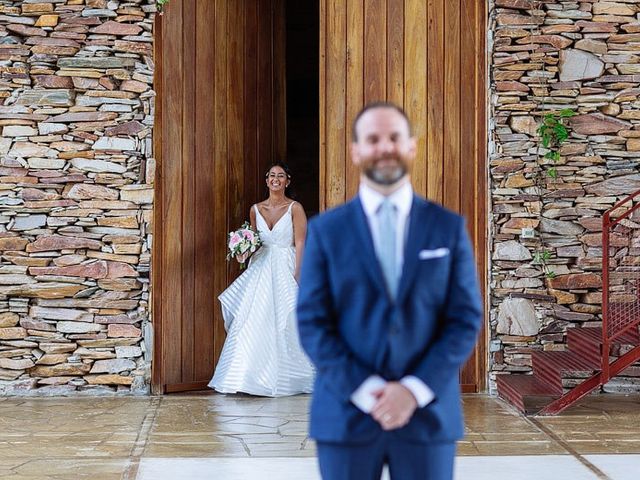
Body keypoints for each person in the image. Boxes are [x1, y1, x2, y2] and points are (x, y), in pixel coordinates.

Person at [296, 102, 482, 479]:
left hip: (428, 417)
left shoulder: (446, 228)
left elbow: (464, 320)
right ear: (356, 151)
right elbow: (313, 322)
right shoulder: (326, 231)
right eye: (373, 139)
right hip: (345, 415)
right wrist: (366, 389)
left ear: (411, 146)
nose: (385, 148)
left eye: (395, 137)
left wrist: (413, 390)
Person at [209, 162, 314, 396]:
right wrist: (243, 251)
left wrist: (299, 271)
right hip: (261, 267)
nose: (276, 179)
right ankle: (247, 377)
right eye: (272, 176)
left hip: (286, 265)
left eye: (281, 176)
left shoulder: (295, 208)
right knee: (254, 318)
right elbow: (255, 241)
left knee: (287, 318)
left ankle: (295, 376)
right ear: (266, 180)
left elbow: (301, 242)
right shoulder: (255, 209)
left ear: (288, 181)